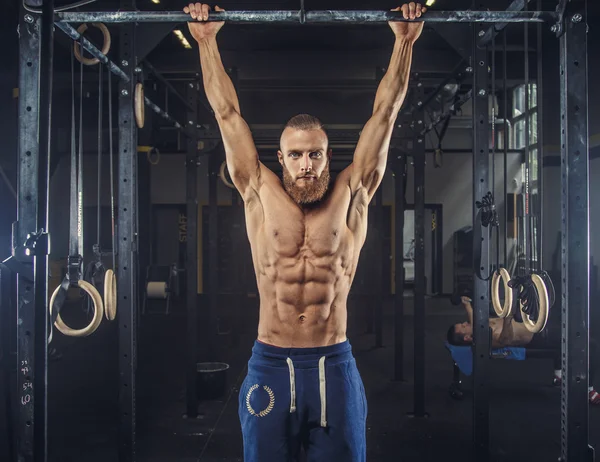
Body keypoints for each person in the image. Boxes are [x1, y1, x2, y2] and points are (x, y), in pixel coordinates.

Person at [184, 2, 427, 460]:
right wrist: (206, 41)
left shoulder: (354, 191)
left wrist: (404, 41)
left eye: (314, 154)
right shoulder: (257, 188)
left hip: (333, 364)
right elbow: (226, 114)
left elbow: (385, 115)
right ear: (281, 158)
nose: (306, 165)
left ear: (327, 155)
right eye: (295, 155)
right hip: (270, 362)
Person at [447, 296, 600, 405]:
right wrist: (507, 320)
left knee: (568, 319)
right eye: (463, 326)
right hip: (539, 336)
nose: (465, 323)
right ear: (467, 338)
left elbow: (472, 318)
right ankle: (588, 390)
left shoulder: (478, 326)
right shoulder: (485, 337)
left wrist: (466, 303)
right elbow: (504, 341)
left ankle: (559, 375)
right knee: (589, 344)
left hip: (534, 323)